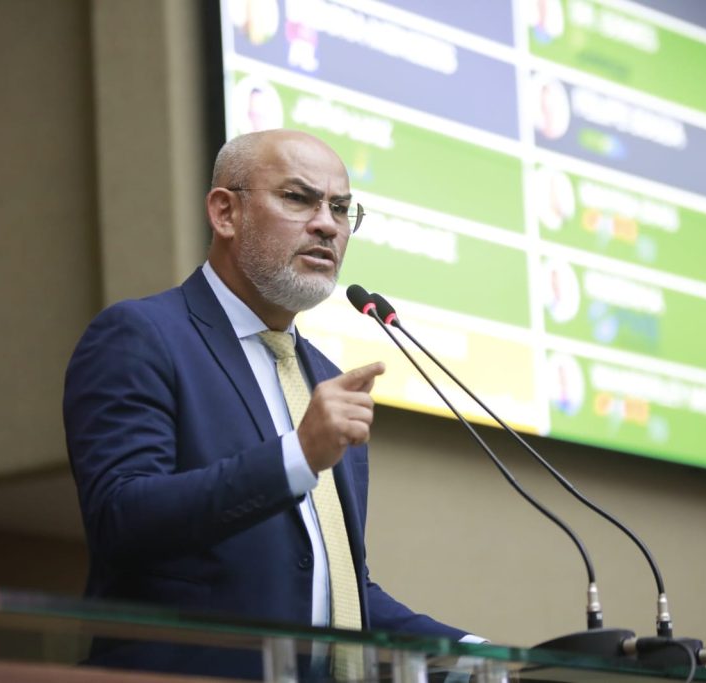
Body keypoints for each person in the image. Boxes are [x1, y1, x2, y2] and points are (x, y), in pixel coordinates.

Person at [63, 130, 468, 677]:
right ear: (225, 213)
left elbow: (337, 591)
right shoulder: (143, 336)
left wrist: (474, 651)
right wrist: (297, 456)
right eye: (299, 198)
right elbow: (122, 518)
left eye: (341, 208)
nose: (327, 225)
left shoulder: (326, 380)